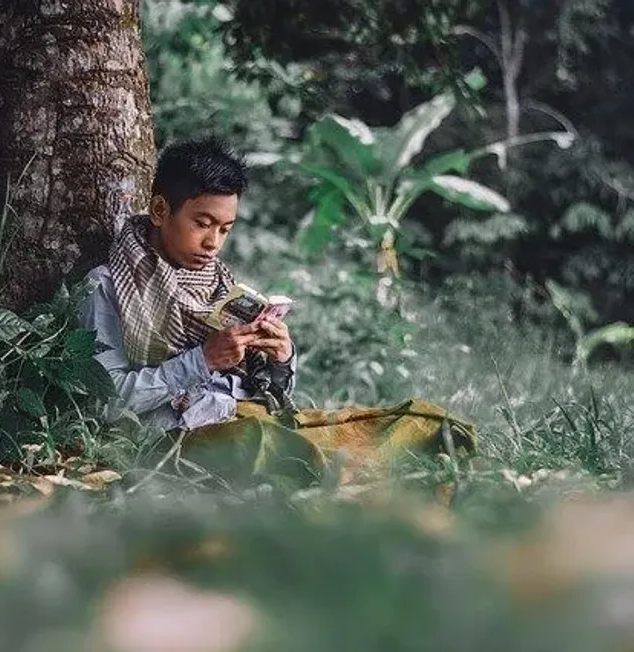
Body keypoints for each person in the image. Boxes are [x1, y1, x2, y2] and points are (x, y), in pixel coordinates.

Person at [79, 138, 475, 489]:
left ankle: (348, 459)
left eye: (225, 229)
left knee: (424, 420)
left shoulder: (219, 286)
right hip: (183, 437)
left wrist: (280, 359)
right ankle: (341, 469)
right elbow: (106, 402)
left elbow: (271, 393)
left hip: (247, 414)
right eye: (202, 224)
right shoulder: (109, 286)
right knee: (264, 446)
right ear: (161, 210)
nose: (213, 242)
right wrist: (200, 361)